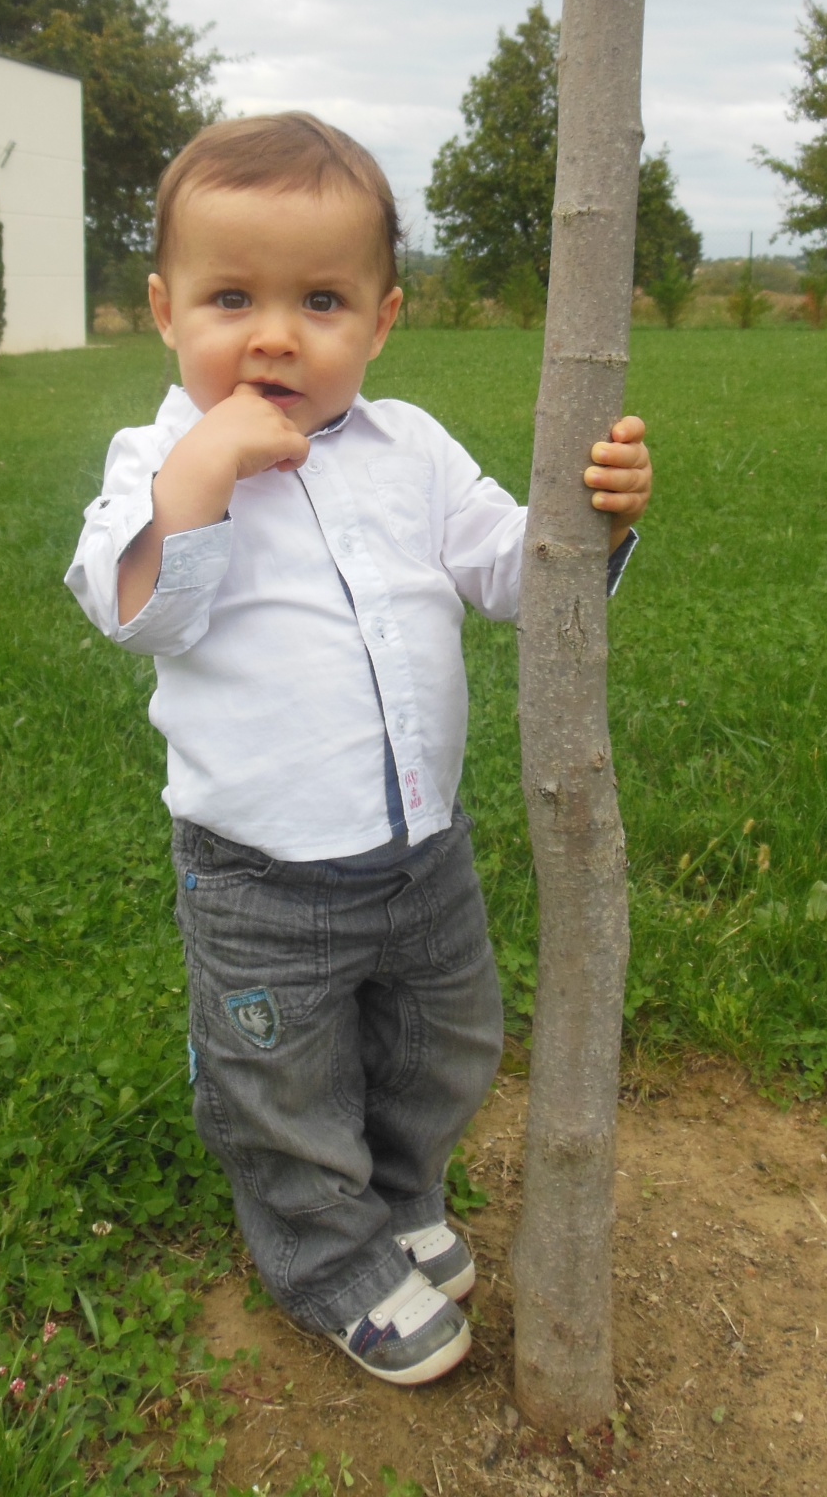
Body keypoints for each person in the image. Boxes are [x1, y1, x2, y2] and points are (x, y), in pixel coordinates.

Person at [66, 113, 651, 1387]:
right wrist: (202, 478)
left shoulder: (414, 450)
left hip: (422, 850)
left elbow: (509, 572)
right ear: (165, 310)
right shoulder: (156, 459)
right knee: (284, 1079)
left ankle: (397, 1192)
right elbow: (137, 613)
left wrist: (591, 524)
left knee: (444, 1040)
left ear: (381, 321)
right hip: (261, 877)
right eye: (232, 298)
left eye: (320, 300)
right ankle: (325, 1253)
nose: (274, 335)